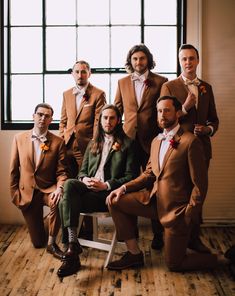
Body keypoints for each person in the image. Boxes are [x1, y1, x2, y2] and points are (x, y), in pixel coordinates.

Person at [106, 96, 235, 274]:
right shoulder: (156, 141)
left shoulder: (191, 142)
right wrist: (124, 188)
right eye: (159, 111)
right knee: (114, 200)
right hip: (152, 202)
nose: (162, 114)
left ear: (177, 113)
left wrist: (189, 213)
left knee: (175, 264)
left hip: (177, 211)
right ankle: (134, 253)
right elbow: (149, 174)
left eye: (167, 110)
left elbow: (200, 185)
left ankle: (223, 258)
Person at [57, 104, 139, 277]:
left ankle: (70, 252)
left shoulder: (128, 144)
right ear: (100, 120)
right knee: (70, 185)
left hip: (107, 195)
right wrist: (84, 179)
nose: (108, 121)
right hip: (88, 190)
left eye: (112, 118)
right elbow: (82, 172)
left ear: (118, 121)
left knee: (66, 197)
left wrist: (106, 185)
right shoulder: (93, 143)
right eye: (105, 118)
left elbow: (131, 177)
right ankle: (73, 246)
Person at [160, 44, 219, 253]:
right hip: (177, 150)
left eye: (192, 58)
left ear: (198, 60)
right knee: (178, 193)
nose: (188, 62)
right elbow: (164, 119)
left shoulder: (206, 87)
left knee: (198, 193)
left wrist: (208, 130)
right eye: (184, 59)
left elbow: (215, 120)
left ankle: (194, 237)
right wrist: (184, 108)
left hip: (201, 148)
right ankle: (175, 237)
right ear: (179, 61)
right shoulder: (169, 86)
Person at [114, 44, 168, 250]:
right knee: (127, 183)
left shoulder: (161, 82)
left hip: (151, 142)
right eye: (135, 59)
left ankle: (158, 234)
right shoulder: (122, 82)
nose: (138, 62)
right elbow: (117, 112)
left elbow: (164, 109)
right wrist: (117, 138)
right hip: (127, 142)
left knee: (153, 186)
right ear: (131, 61)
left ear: (148, 60)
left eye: (142, 59)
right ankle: (130, 233)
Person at [9, 103, 68, 259]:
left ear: (51, 120)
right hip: (27, 193)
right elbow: (13, 170)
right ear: (33, 116)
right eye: (40, 114)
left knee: (58, 202)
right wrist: (15, 194)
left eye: (46, 116)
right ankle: (45, 226)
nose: (43, 118)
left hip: (48, 189)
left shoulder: (58, 142)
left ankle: (52, 244)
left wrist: (59, 188)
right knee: (37, 243)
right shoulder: (19, 138)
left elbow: (62, 172)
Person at [59, 60, 106, 239]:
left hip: (87, 148)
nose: (80, 75)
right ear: (72, 73)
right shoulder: (66, 94)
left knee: (85, 186)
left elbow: (98, 122)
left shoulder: (98, 94)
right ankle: (69, 233)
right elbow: (63, 120)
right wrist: (63, 137)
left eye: (83, 72)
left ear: (89, 73)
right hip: (67, 146)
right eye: (77, 72)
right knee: (67, 187)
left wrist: (94, 145)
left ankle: (88, 232)